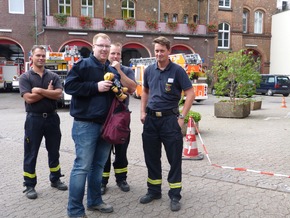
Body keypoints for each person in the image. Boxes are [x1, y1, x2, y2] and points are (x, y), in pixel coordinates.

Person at [65, 33, 118, 217]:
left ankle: (94, 201)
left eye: (107, 46)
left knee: (98, 166)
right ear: (93, 46)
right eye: (101, 45)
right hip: (85, 125)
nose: (104, 49)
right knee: (82, 167)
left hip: (106, 125)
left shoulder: (110, 68)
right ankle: (75, 211)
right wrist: (95, 87)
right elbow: (69, 87)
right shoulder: (82, 66)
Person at [139, 36, 195, 212]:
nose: (159, 54)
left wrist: (182, 117)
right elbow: (145, 91)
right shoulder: (149, 70)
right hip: (151, 121)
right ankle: (154, 190)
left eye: (162, 50)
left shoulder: (177, 71)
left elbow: (190, 93)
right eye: (156, 50)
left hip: (170, 121)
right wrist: (142, 111)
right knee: (152, 158)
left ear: (169, 51)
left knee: (174, 159)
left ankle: (175, 195)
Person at [19, 45, 68, 200]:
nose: (41, 58)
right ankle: (29, 185)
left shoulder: (53, 75)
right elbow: (28, 98)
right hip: (34, 119)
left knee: (54, 150)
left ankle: (55, 179)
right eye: (38, 55)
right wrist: (48, 92)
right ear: (31, 57)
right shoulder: (25, 77)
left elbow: (59, 94)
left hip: (52, 118)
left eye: (43, 56)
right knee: (31, 152)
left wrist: (39, 91)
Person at [101, 42, 137, 195]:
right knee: (104, 152)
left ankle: (121, 179)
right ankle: (102, 181)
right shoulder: (101, 69)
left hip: (122, 117)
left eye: (118, 54)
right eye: (112, 53)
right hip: (105, 117)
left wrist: (118, 71)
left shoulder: (127, 70)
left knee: (122, 151)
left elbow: (133, 88)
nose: (115, 56)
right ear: (108, 54)